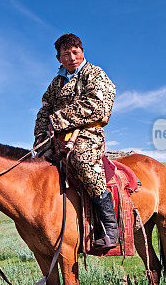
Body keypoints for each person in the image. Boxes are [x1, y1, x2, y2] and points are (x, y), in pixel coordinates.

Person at [34, 33, 118, 249]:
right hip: (58, 135)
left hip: (89, 132)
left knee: (82, 160)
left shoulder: (96, 74)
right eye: (66, 54)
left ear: (82, 51)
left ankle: (110, 226)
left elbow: (98, 107)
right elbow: (45, 110)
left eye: (75, 52)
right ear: (58, 58)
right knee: (37, 164)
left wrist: (58, 119)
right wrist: (40, 137)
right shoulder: (57, 83)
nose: (72, 57)